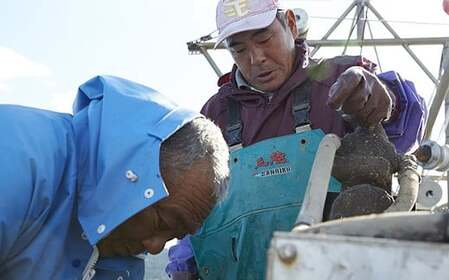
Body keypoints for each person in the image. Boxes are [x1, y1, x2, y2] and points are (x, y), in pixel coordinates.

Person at [166, 0, 427, 279]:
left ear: (290, 24)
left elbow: (405, 120)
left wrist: (386, 98)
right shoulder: (213, 114)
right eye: (239, 49)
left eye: (264, 38)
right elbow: (195, 203)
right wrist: (185, 261)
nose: (256, 58)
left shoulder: (337, 82)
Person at [0, 75, 230, 279]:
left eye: (174, 235)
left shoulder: (118, 259)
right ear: (135, 176)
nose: (154, 247)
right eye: (162, 224)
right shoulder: (19, 159)